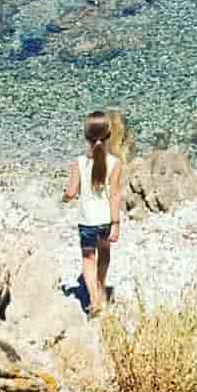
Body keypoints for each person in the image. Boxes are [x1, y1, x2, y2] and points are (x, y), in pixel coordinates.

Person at [62, 110, 123, 317]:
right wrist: (116, 223)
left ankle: (94, 298)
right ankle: (101, 287)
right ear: (109, 136)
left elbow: (71, 192)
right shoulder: (115, 163)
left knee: (88, 259)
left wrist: (65, 196)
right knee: (104, 256)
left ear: (86, 136)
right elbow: (115, 195)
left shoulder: (79, 162)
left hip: (86, 222)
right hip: (105, 221)